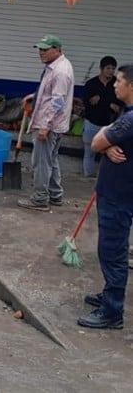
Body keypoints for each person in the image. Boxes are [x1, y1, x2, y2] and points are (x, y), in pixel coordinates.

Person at [77, 65, 133, 330]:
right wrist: (109, 144)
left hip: (119, 195)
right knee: (111, 249)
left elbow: (96, 142)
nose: (114, 85)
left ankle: (112, 312)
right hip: (116, 191)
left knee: (112, 251)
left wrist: (105, 143)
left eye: (119, 81)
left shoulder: (131, 119)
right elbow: (104, 139)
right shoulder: (126, 116)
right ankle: (109, 294)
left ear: (131, 86)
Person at [17, 35, 75, 211]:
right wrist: (34, 97)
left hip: (49, 125)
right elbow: (52, 93)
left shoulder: (60, 71)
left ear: (57, 50)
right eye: (40, 49)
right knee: (51, 160)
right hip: (54, 124)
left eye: (45, 49)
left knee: (41, 162)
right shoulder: (56, 67)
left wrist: (45, 126)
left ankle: (40, 199)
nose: (41, 53)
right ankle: (55, 195)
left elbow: (57, 102)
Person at [82, 56, 122, 177]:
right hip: (92, 122)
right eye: (108, 68)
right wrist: (91, 101)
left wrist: (116, 107)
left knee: (108, 153)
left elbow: (122, 103)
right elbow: (85, 102)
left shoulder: (117, 84)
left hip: (109, 125)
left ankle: (103, 177)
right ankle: (87, 176)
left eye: (113, 68)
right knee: (89, 152)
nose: (110, 71)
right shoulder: (91, 84)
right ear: (101, 69)